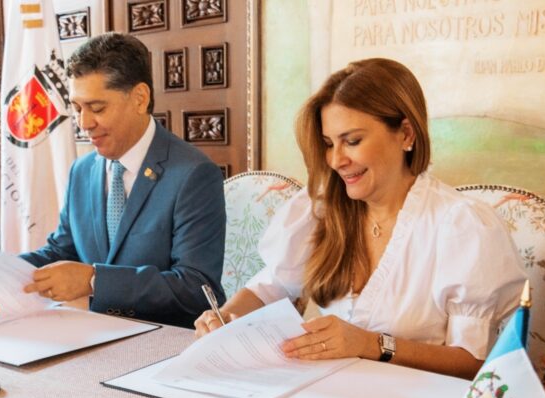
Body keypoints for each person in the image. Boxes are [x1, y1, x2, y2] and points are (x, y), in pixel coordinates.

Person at [194, 58, 526, 379]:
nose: (337, 160)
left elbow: (473, 364)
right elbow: (270, 287)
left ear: (407, 134)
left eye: (352, 141)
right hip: (332, 396)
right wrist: (224, 318)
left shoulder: (460, 226)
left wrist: (371, 344)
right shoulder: (323, 210)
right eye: (328, 144)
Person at [21, 33, 226, 328]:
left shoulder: (194, 174)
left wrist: (94, 280)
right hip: (86, 336)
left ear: (140, 99)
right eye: (77, 108)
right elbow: (61, 252)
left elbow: (196, 289)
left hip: (161, 346)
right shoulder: (81, 170)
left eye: (97, 108)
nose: (83, 123)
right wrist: (2, 268)